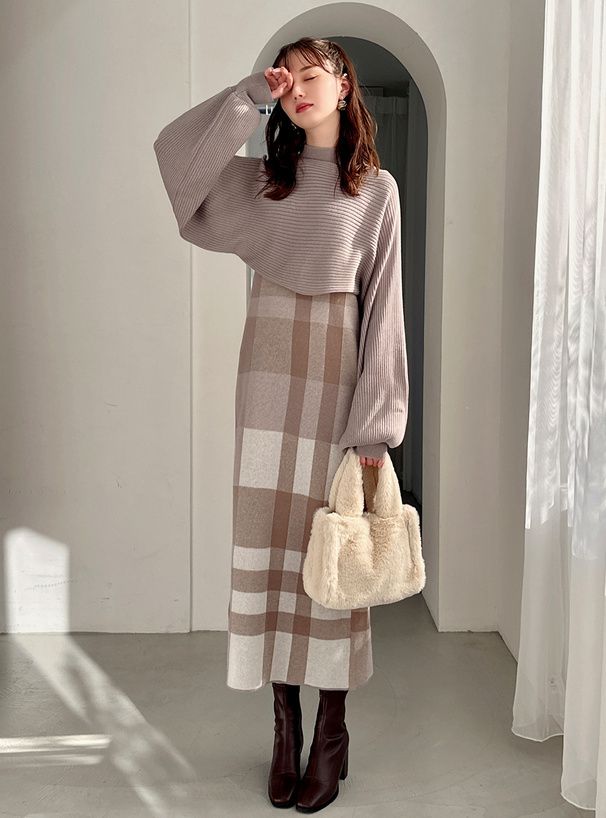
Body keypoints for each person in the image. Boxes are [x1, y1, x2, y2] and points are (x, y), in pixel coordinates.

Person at [153, 36, 409, 813]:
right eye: (285, 76)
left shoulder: (377, 192)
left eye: (311, 74)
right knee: (272, 550)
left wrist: (376, 425)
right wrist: (245, 96)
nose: (296, 86)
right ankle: (283, 722)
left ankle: (330, 728)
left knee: (331, 557)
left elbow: (385, 311)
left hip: (336, 384)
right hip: (265, 383)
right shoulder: (262, 182)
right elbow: (174, 159)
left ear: (344, 85)